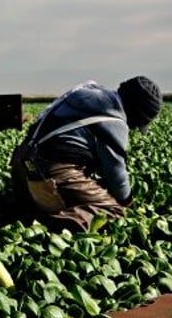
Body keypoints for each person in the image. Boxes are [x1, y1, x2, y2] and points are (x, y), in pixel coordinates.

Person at [10, 76, 162, 232]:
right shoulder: (114, 121)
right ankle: (49, 227)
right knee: (113, 211)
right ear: (135, 112)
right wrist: (128, 203)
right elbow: (117, 177)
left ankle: (26, 210)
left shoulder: (85, 92)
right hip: (49, 173)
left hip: (21, 167)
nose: (134, 127)